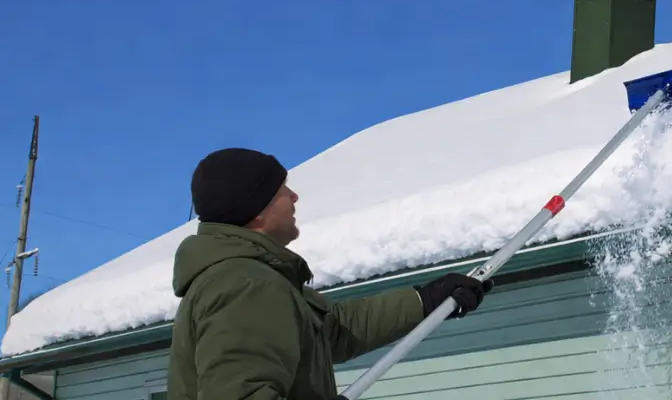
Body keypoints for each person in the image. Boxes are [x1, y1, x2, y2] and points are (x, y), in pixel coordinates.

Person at [166, 147, 492, 399]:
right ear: (255, 209)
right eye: (281, 190)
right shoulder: (246, 286)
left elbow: (334, 329)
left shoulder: (254, 280)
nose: (294, 197)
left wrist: (427, 300)